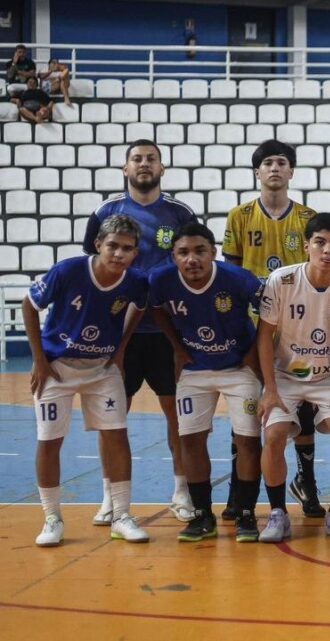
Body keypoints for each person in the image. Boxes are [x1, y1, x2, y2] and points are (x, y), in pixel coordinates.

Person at [82, 140, 199, 525]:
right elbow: (94, 266)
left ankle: (182, 490)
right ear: (125, 168)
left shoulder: (180, 213)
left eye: (151, 158)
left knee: (176, 416)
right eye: (137, 158)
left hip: (167, 329)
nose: (144, 164)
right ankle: (109, 496)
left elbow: (192, 262)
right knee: (112, 418)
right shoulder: (106, 212)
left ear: (162, 168)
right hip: (118, 333)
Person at [25, 215, 149, 546]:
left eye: (127, 248)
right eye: (112, 246)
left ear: (135, 253)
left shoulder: (135, 282)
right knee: (50, 441)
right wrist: (39, 360)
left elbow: (139, 308)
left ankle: (121, 514)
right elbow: (29, 304)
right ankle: (52, 518)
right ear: (98, 244)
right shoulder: (67, 271)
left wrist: (121, 348)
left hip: (101, 369)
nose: (118, 254)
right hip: (57, 367)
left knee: (117, 435)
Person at [223, 139, 325, 520]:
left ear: (292, 171)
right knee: (248, 406)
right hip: (252, 328)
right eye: (268, 163)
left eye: (282, 162)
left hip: (298, 329)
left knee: (306, 407)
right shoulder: (239, 216)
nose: (275, 168)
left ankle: (306, 479)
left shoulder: (308, 218)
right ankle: (238, 484)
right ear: (257, 171)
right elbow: (231, 272)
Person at [149, 223, 264, 543]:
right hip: (195, 370)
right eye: (183, 252)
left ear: (213, 253)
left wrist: (253, 354)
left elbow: (271, 316)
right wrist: (177, 348)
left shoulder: (239, 279)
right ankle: (202, 516)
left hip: (239, 369)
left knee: (248, 441)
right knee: (190, 440)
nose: (192, 259)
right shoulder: (160, 281)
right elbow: (157, 311)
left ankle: (245, 514)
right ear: (173, 257)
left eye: (200, 251)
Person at [255, 213, 330, 542]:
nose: (327, 250)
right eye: (320, 242)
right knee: (273, 437)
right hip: (284, 375)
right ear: (306, 246)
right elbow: (263, 337)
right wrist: (269, 390)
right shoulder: (282, 280)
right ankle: (278, 514)